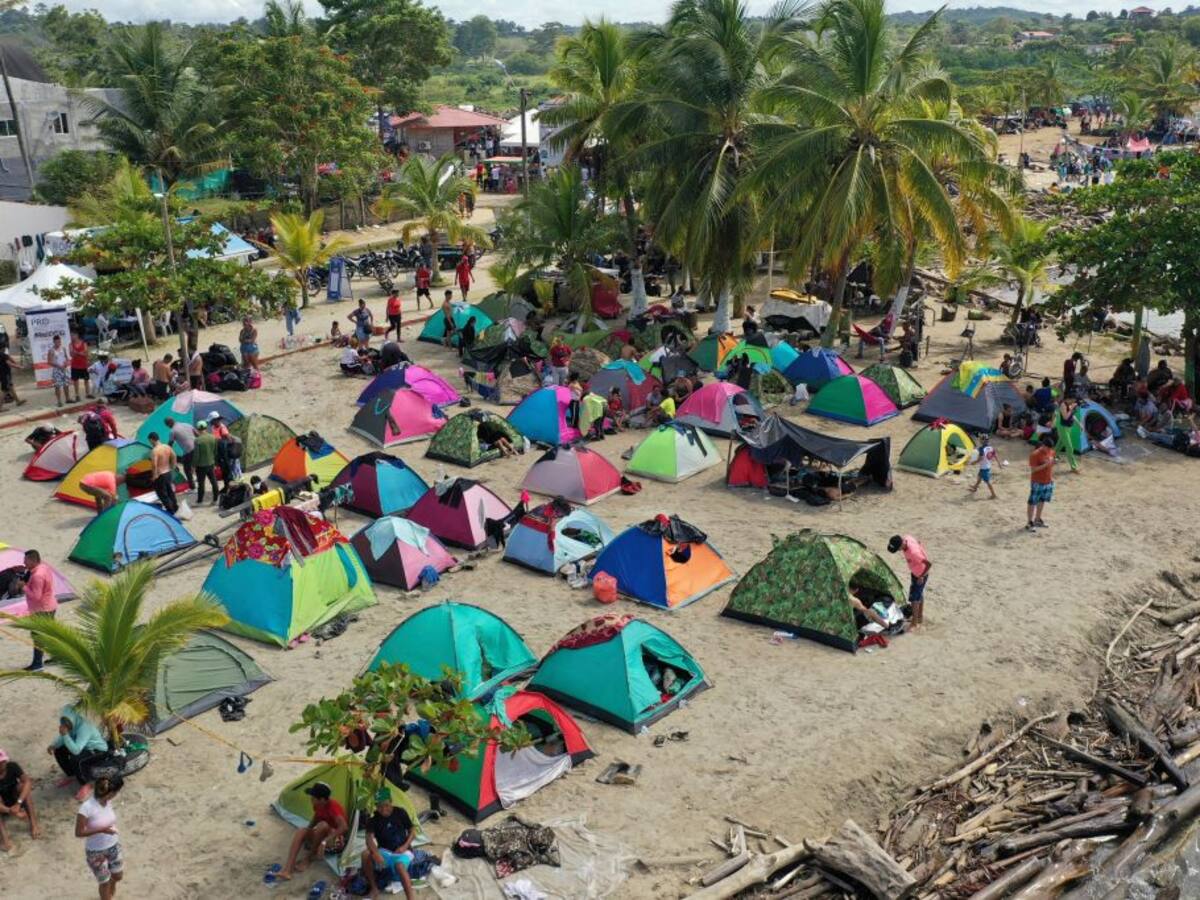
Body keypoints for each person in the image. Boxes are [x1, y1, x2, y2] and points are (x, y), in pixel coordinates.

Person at [278, 781, 349, 881]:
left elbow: (344, 827)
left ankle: (308, 858)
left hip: (335, 841)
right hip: (323, 836)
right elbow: (316, 817)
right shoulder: (318, 805)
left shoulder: (333, 807)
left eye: (313, 798)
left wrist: (324, 842)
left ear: (323, 800)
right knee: (302, 830)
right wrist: (308, 832)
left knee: (323, 825)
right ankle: (287, 869)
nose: (311, 799)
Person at [361, 789, 416, 899]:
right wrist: (376, 853)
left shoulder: (400, 812)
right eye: (379, 806)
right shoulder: (373, 820)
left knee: (399, 866)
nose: (383, 809)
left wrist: (404, 846)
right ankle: (374, 888)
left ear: (391, 801)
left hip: (403, 851)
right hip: (385, 852)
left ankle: (411, 898)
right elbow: (369, 838)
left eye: (386, 805)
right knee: (365, 854)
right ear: (376, 806)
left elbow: (413, 830)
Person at [76, 775, 124, 900]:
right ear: (111, 793)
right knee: (104, 882)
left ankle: (112, 884)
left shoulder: (108, 802)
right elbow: (79, 833)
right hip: (96, 852)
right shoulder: (86, 808)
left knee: (118, 876)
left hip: (113, 846)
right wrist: (102, 830)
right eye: (117, 792)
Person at [50, 706, 108, 796]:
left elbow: (76, 750)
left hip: (97, 751)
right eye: (64, 721)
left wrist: (65, 735)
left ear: (74, 719)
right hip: (83, 747)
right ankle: (71, 775)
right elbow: (62, 739)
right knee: (59, 750)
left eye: (68, 722)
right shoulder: (72, 725)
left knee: (76, 759)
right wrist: (53, 745)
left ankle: (86, 783)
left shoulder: (84, 728)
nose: (66, 724)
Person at [22, 549, 58, 671]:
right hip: (50, 606)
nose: (24, 563)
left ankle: (37, 664)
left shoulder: (37, 576)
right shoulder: (44, 567)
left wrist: (24, 587)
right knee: (49, 634)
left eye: (26, 560)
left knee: (38, 636)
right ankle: (57, 656)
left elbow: (36, 596)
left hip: (41, 610)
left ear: (33, 560)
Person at [887, 534, 931, 630]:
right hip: (915, 572)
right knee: (919, 595)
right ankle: (919, 617)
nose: (898, 551)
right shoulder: (907, 538)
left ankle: (914, 623)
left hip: (920, 575)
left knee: (914, 599)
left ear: (901, 545)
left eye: (898, 549)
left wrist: (922, 576)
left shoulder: (913, 553)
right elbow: (918, 542)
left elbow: (928, 564)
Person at [0, 748, 41, 850]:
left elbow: (27, 782)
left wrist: (18, 804)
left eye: (3, 761)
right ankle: (4, 838)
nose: (2, 764)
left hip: (15, 799)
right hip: (2, 805)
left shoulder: (12, 766)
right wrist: (11, 811)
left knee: (22, 787)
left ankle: (33, 823)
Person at [1027, 434, 1056, 532]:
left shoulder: (1052, 452)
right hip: (1037, 482)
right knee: (1032, 502)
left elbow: (1051, 465)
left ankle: (1037, 519)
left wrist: (1051, 477)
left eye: (1050, 449)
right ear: (1043, 446)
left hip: (1047, 481)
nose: (1049, 451)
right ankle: (1029, 522)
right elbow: (1033, 470)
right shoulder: (1035, 454)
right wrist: (1046, 464)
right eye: (1047, 449)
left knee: (1042, 500)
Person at [147, 432, 179, 514]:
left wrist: (154, 476)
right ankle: (175, 507)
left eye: (150, 441)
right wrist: (173, 466)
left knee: (163, 495)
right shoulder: (166, 446)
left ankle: (170, 511)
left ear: (152, 440)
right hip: (168, 472)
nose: (150, 443)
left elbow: (154, 465)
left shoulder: (155, 451)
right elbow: (174, 456)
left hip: (160, 475)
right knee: (170, 491)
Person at [165, 416, 197, 490]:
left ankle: (192, 488)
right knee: (195, 465)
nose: (168, 427)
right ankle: (197, 480)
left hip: (188, 451)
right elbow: (197, 434)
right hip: (197, 448)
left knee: (187, 469)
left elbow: (170, 444)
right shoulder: (187, 424)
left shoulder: (173, 431)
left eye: (167, 425)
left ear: (169, 424)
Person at [192, 421, 219, 505]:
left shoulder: (197, 440)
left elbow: (196, 455)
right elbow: (215, 451)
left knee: (201, 483)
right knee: (214, 482)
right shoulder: (213, 437)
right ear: (206, 428)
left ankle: (200, 501)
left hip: (201, 466)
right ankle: (215, 499)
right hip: (211, 463)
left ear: (197, 429)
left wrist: (193, 466)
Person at [1055, 397, 1081, 474]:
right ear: (1068, 398)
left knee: (1061, 443)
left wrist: (1079, 425)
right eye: (1073, 400)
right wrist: (1071, 408)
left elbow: (1072, 416)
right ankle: (1074, 467)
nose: (1074, 401)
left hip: (1068, 427)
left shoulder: (1071, 404)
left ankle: (1052, 456)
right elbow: (1065, 417)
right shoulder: (1063, 405)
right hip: (1062, 427)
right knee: (1069, 447)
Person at [0, 341, 25, 411]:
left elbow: (10, 358)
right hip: (5, 374)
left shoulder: (3, 354)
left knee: (11, 387)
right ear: (3, 348)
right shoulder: (3, 355)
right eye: (5, 347)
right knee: (4, 390)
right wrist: (19, 367)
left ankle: (18, 401)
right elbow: (9, 363)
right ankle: (0, 407)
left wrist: (16, 363)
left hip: (2, 374)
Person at [47, 333, 71, 407]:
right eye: (57, 342)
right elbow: (49, 362)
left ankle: (67, 399)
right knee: (57, 386)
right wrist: (58, 365)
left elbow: (67, 358)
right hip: (57, 370)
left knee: (66, 384)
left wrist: (66, 363)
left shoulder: (63, 348)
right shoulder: (51, 350)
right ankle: (59, 401)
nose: (58, 343)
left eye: (59, 342)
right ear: (54, 342)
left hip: (64, 369)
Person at [69, 331, 92, 402]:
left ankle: (88, 393)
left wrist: (77, 353)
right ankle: (77, 395)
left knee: (86, 380)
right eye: (71, 336)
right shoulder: (70, 344)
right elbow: (71, 354)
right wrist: (81, 353)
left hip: (83, 364)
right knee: (75, 381)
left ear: (77, 335)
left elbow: (86, 353)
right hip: (75, 365)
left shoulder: (83, 343)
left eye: (73, 335)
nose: (71, 337)